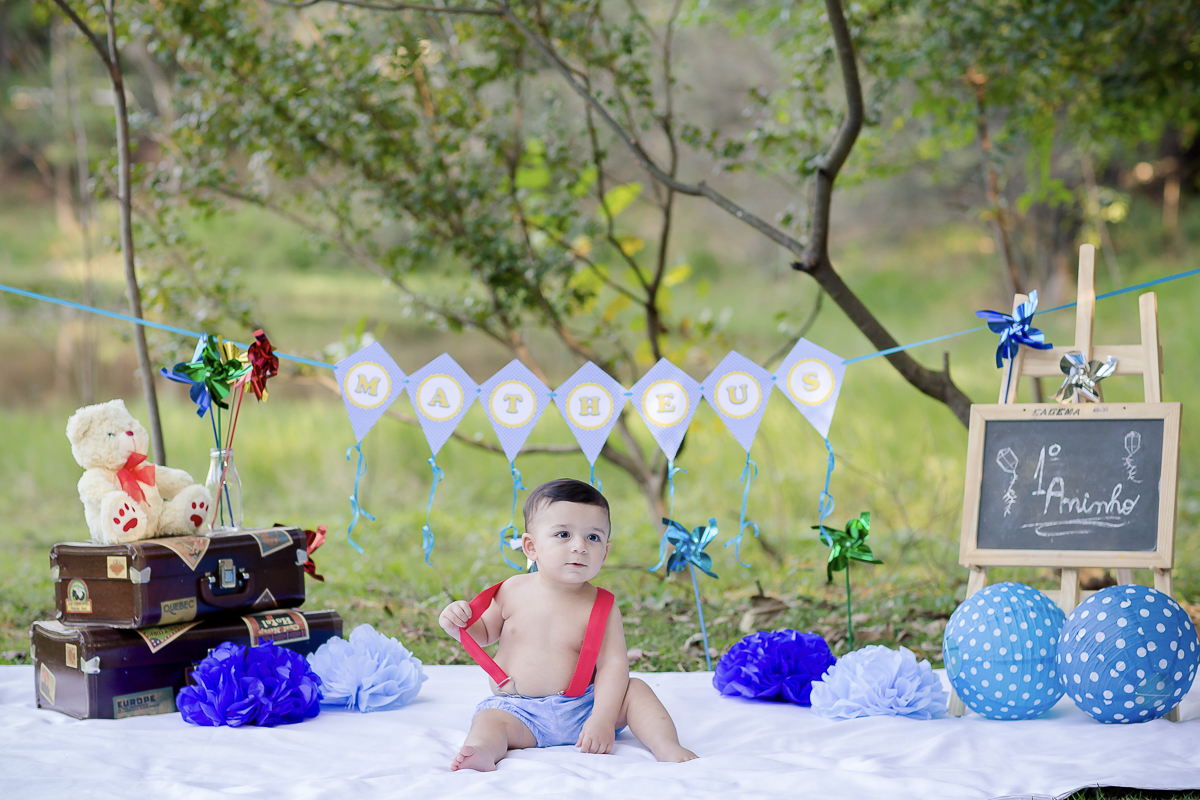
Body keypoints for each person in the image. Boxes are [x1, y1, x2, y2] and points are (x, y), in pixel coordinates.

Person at [439, 478, 698, 771]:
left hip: (584, 708)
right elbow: (483, 634)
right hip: (519, 710)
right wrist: (457, 624)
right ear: (531, 546)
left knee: (636, 690)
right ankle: (483, 751)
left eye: (593, 537)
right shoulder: (511, 590)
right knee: (488, 721)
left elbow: (613, 665)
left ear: (606, 551)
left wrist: (602, 717)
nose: (579, 547)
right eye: (563, 534)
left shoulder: (602, 605)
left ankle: (665, 745)